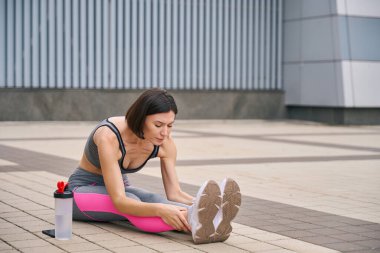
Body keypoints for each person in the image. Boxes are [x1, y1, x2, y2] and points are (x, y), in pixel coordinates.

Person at [67, 88, 241, 244]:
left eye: (170, 125)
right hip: (80, 193)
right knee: (135, 204)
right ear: (140, 119)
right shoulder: (109, 136)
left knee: (151, 198)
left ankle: (201, 216)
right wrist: (160, 210)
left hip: (120, 188)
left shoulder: (166, 143)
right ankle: (194, 220)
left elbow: (174, 193)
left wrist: (202, 203)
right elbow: (120, 201)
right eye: (158, 125)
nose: (165, 132)